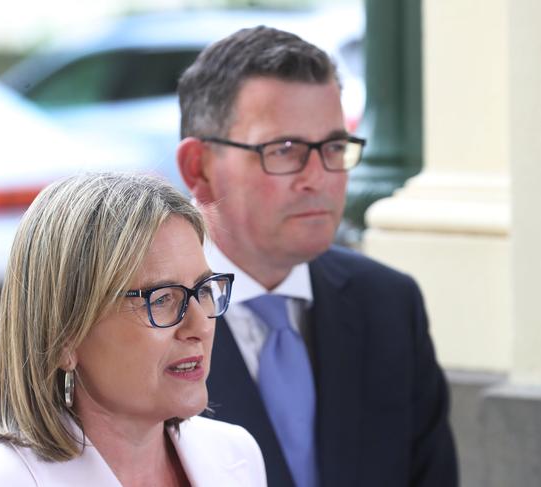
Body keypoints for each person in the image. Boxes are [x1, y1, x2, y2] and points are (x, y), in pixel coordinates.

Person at [176, 26, 458, 487]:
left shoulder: (388, 304)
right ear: (198, 167)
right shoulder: (139, 318)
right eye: (284, 150)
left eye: (332, 147)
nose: (319, 177)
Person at [0, 173, 266, 487]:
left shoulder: (236, 455)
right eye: (161, 299)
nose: (199, 324)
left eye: (203, 289)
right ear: (65, 336)